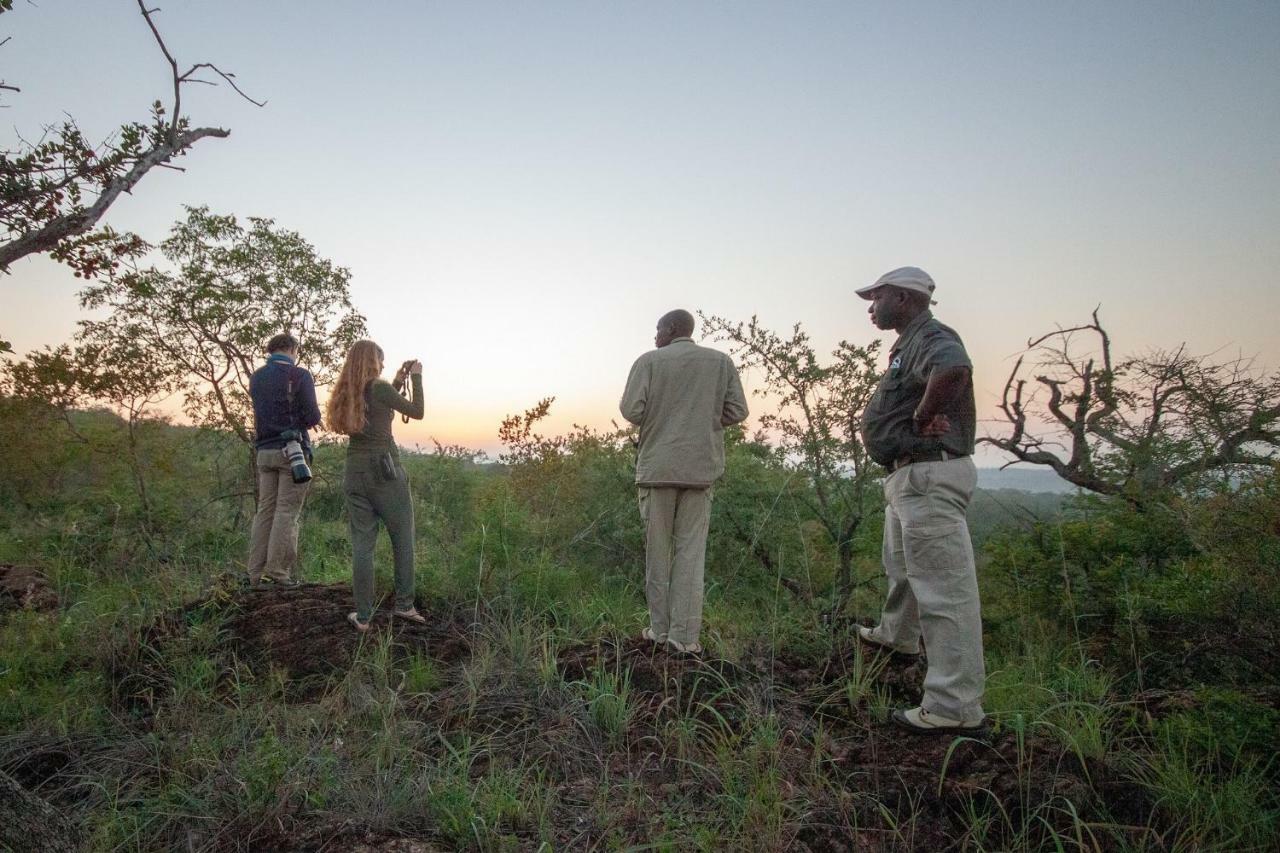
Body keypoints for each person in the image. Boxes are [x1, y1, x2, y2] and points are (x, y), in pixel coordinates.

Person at [855, 266, 986, 733]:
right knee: (904, 568)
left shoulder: (933, 335)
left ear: (905, 299)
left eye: (878, 298)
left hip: (929, 474)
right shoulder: (908, 341)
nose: (872, 307)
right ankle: (897, 636)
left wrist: (920, 415)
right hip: (909, 477)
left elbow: (953, 369)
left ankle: (953, 706)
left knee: (944, 592)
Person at [620, 309, 749, 655]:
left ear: (672, 328)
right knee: (691, 555)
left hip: (657, 468)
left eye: (658, 328)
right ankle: (685, 638)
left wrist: (662, 417)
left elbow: (631, 409)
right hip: (700, 470)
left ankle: (659, 631)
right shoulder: (720, 362)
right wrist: (701, 420)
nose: (655, 336)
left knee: (657, 553)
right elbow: (737, 411)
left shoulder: (649, 361)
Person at [326, 340, 427, 632]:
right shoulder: (378, 388)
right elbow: (417, 411)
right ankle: (405, 605)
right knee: (402, 538)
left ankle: (364, 616)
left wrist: (398, 378)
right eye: (381, 361)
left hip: (354, 471)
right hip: (385, 471)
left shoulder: (349, 392)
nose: (383, 366)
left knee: (362, 546)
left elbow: (382, 402)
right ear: (373, 361)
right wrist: (417, 377)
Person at [247, 332, 322, 586]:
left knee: (265, 510)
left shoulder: (256, 377)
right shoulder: (299, 375)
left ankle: (255, 573)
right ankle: (277, 573)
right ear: (291, 349)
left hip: (264, 452)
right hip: (292, 453)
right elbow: (312, 416)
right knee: (286, 511)